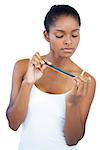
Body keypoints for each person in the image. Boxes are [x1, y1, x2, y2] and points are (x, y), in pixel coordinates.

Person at [6, 4, 96, 150]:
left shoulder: (86, 80)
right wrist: (28, 83)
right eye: (60, 35)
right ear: (46, 36)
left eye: (74, 34)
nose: (69, 41)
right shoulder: (23, 67)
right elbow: (13, 124)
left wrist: (72, 104)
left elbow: (72, 140)